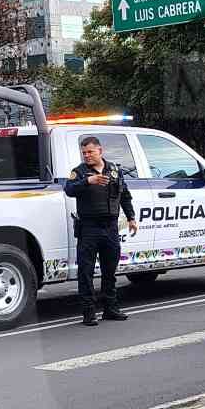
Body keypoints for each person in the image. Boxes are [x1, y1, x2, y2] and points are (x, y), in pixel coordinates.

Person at [64, 136, 139, 326]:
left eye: (90, 152)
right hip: (89, 228)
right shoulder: (79, 172)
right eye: (84, 153)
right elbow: (69, 189)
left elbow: (125, 195)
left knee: (109, 270)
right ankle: (89, 312)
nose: (87, 155)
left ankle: (110, 309)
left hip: (110, 227)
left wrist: (131, 218)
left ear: (100, 151)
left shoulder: (114, 170)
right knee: (86, 272)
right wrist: (89, 181)